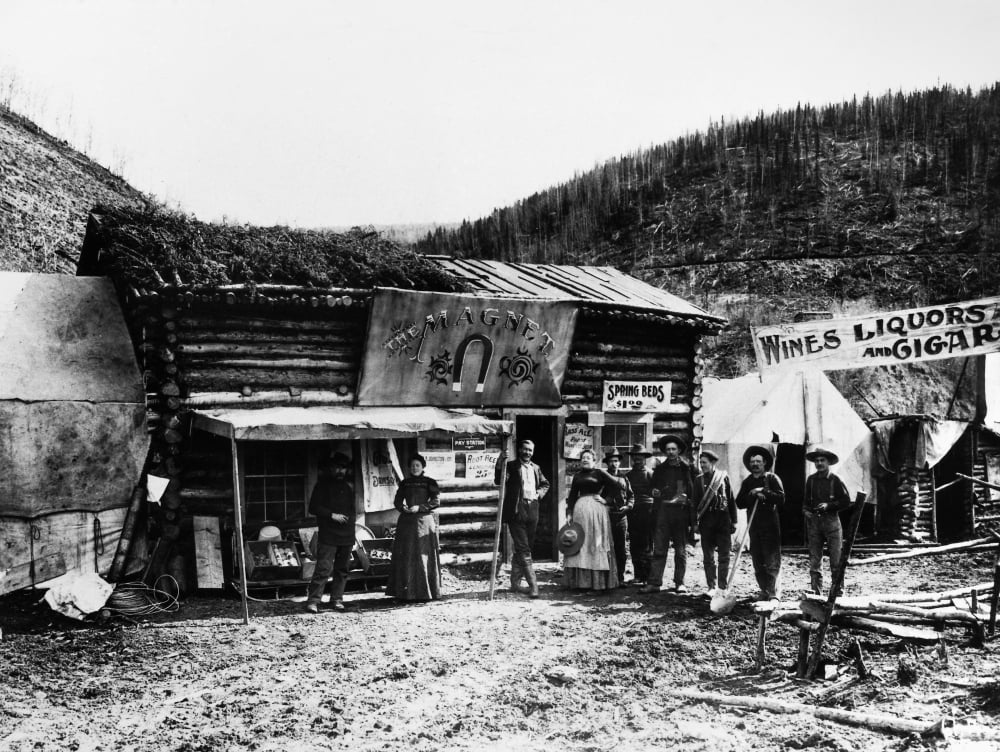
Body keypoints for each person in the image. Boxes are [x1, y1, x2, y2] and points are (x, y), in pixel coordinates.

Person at [495, 439, 550, 598]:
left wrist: (539, 494)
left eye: (530, 450)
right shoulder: (511, 466)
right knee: (523, 548)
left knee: (525, 547)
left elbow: (545, 484)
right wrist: (500, 462)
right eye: (525, 449)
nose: (527, 452)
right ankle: (534, 586)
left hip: (532, 509)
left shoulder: (536, 468)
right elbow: (499, 480)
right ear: (519, 450)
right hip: (516, 510)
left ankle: (515, 583)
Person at [564, 448, 624, 591]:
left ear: (594, 460)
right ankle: (581, 583)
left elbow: (618, 486)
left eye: (588, 458)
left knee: (596, 543)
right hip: (580, 512)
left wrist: (606, 499)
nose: (585, 460)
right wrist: (569, 513)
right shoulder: (577, 476)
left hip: (597, 511)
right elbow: (572, 496)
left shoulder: (600, 473)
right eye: (583, 458)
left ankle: (598, 582)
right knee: (581, 543)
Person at [642, 435, 695, 594]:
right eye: (668, 450)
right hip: (663, 513)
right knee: (659, 549)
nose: (671, 452)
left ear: (679, 450)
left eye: (674, 449)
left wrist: (688, 498)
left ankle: (680, 583)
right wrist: (654, 491)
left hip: (681, 514)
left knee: (680, 551)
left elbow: (695, 491)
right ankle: (655, 582)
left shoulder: (688, 468)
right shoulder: (660, 469)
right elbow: (651, 488)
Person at [386, 454, 442, 601]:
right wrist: (403, 508)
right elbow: (397, 501)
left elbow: (436, 501)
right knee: (407, 555)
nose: (414, 468)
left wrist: (420, 507)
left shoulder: (430, 482)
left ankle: (426, 593)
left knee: (422, 555)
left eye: (417, 465)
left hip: (424, 522)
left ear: (423, 467)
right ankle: (406, 593)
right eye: (412, 466)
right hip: (407, 523)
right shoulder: (405, 483)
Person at [305, 451, 356, 613]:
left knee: (342, 569)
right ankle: (313, 601)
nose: (340, 471)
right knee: (323, 569)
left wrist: (352, 532)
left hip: (346, 535)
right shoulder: (322, 486)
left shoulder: (349, 487)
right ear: (331, 468)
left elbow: (352, 510)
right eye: (337, 468)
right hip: (329, 534)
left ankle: (337, 599)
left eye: (343, 468)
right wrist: (331, 515)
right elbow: (313, 508)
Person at [734, 446, 785, 601]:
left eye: (758, 461)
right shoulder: (748, 481)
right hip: (754, 526)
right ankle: (763, 590)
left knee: (771, 560)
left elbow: (781, 498)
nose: (755, 464)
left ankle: (773, 593)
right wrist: (752, 494)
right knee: (758, 560)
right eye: (752, 462)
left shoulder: (772, 479)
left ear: (764, 463)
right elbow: (739, 503)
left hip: (770, 526)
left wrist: (764, 492)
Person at [803, 447, 851, 595]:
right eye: (817, 460)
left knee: (836, 561)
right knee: (815, 563)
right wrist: (806, 512)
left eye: (822, 460)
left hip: (832, 522)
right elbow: (805, 503)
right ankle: (816, 594)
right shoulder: (811, 480)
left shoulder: (835, 480)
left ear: (828, 462)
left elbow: (846, 501)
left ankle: (837, 593)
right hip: (815, 524)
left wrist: (828, 506)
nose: (819, 463)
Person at [692, 449, 736, 596]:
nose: (702, 465)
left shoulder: (723, 478)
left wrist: (734, 521)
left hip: (723, 521)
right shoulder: (699, 480)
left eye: (704, 462)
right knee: (708, 557)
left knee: (724, 556)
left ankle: (722, 587)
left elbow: (730, 500)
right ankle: (711, 587)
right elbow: (695, 504)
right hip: (707, 522)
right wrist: (695, 523)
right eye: (701, 462)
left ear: (712, 463)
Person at [626, 444, 656, 585]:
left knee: (647, 545)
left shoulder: (651, 474)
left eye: (640, 458)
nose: (638, 461)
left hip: (648, 512)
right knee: (634, 544)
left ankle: (647, 576)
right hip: (633, 512)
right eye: (635, 458)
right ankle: (638, 575)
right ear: (632, 459)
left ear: (645, 459)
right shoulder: (628, 476)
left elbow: (656, 494)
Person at [603, 448, 634, 585]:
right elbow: (598, 496)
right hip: (607, 517)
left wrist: (628, 506)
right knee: (606, 547)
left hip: (621, 517)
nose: (614, 464)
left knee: (621, 548)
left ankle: (620, 577)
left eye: (616, 461)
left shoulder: (624, 478)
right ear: (607, 463)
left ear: (619, 462)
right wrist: (606, 504)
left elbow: (631, 496)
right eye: (611, 461)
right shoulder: (603, 478)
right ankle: (608, 578)